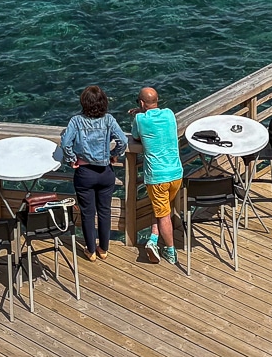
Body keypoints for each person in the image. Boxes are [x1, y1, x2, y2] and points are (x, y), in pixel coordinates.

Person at [57, 85, 128, 261]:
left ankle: (91, 251)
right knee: (105, 211)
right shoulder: (109, 120)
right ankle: (103, 249)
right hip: (105, 172)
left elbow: (65, 144)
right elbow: (123, 140)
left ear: (84, 103)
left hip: (85, 172)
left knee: (87, 213)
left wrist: (72, 159)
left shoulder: (76, 121)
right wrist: (113, 154)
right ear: (104, 102)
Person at [132, 87, 182, 266]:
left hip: (157, 177)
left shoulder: (140, 119)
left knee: (164, 215)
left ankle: (170, 251)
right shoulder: (169, 114)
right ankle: (153, 238)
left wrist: (138, 114)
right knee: (162, 208)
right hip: (176, 173)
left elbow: (136, 136)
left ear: (141, 103)